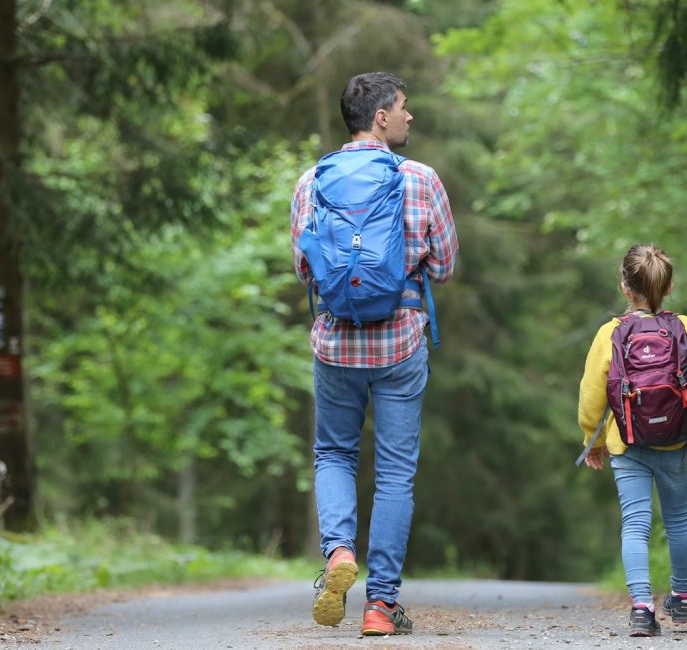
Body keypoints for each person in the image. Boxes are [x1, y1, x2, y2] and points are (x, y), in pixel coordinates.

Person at [290, 71, 458, 636]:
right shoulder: (420, 178)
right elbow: (445, 265)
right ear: (380, 117)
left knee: (334, 454)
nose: (410, 116)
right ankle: (381, 606)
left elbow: (304, 267)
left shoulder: (312, 181)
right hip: (400, 342)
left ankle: (338, 552)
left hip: (335, 342)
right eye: (403, 108)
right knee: (394, 474)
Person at [578, 244, 687, 637]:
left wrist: (591, 441)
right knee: (678, 521)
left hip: (628, 445)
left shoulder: (610, 333)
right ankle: (682, 601)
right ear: (669, 287)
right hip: (675, 445)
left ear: (624, 287)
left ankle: (642, 608)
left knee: (635, 524)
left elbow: (591, 398)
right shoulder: (686, 328)